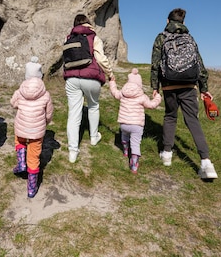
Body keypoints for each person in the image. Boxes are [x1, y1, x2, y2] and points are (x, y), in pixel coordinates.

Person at [150, 8, 218, 179]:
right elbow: (199, 64)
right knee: (192, 120)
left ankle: (166, 154)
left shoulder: (161, 37)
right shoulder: (190, 38)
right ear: (184, 22)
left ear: (167, 21)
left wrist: (154, 87)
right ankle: (206, 163)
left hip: (169, 85)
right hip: (189, 85)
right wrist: (204, 88)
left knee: (170, 116)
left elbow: (155, 64)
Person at [63, 14, 114, 163]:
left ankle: (73, 151)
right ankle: (93, 137)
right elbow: (100, 58)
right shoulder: (94, 37)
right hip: (91, 77)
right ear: (88, 24)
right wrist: (110, 74)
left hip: (71, 78)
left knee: (74, 113)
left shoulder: (68, 38)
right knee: (93, 106)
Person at [109, 68, 162, 173]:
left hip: (124, 123)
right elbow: (151, 105)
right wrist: (158, 97)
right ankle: (134, 164)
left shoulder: (123, 93)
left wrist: (112, 81)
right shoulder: (142, 96)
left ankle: (125, 150)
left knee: (124, 135)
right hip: (137, 125)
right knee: (135, 143)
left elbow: (114, 92)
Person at [11, 74, 54, 198]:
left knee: (19, 141)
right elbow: (49, 113)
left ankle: (21, 163)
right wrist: (45, 122)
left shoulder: (20, 91)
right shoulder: (46, 95)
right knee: (34, 157)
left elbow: (13, 104)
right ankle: (31, 188)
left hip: (21, 127)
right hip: (37, 131)